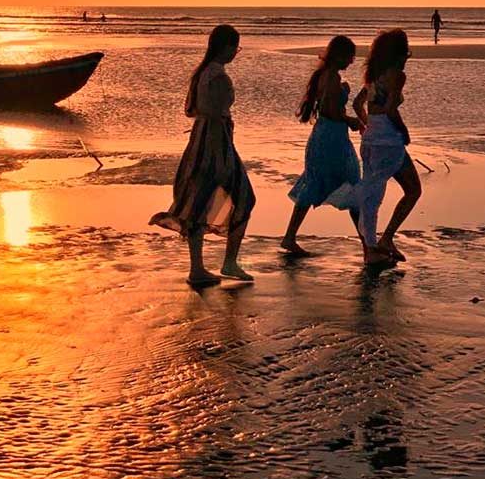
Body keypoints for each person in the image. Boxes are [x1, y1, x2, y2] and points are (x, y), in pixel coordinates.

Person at [149, 24, 256, 286]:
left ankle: (200, 267)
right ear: (227, 47)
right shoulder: (218, 75)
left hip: (201, 138)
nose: (235, 53)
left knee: (198, 201)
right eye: (236, 47)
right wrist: (222, 156)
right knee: (242, 197)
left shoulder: (202, 73)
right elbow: (218, 112)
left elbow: (192, 110)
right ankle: (225, 262)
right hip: (215, 140)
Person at [330, 30, 421, 266]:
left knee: (373, 193)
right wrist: (404, 131)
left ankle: (372, 246)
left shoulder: (373, 75)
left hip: (370, 139)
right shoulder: (397, 75)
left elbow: (358, 103)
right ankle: (385, 239)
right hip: (388, 140)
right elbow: (391, 110)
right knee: (412, 190)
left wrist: (365, 123)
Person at [281, 36, 364, 257]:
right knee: (352, 183)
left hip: (324, 135)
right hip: (331, 138)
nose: (352, 61)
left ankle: (289, 236)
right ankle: (368, 244)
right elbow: (329, 110)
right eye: (349, 56)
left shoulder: (325, 76)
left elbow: (328, 108)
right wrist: (350, 120)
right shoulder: (332, 78)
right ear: (339, 56)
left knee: (315, 182)